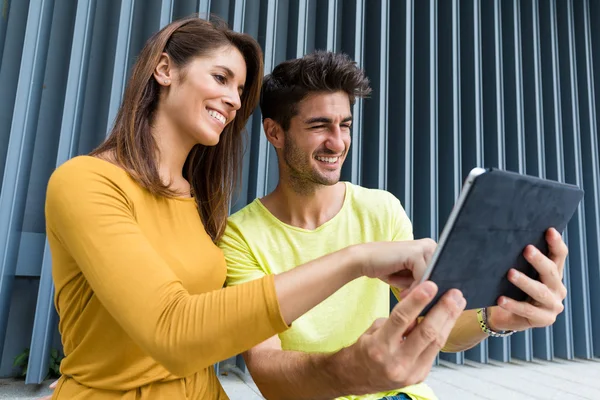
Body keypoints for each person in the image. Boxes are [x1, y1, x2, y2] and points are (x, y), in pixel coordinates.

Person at [43, 17, 467, 400]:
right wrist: (357, 259)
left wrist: (492, 319)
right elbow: (170, 329)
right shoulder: (86, 181)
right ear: (165, 69)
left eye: (240, 89)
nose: (232, 100)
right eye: (221, 78)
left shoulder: (196, 202)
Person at [219, 51, 569, 400]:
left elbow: (440, 328)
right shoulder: (241, 237)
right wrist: (351, 368)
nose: (337, 142)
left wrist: (495, 318)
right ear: (275, 133)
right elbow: (267, 371)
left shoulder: (381, 209)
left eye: (345, 125)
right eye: (319, 125)